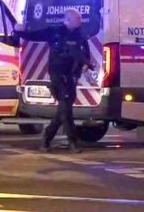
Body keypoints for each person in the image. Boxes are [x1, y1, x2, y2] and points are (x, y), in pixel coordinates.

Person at [13, 9, 93, 153]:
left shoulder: (80, 36)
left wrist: (85, 66)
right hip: (58, 76)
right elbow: (33, 35)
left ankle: (47, 139)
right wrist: (18, 31)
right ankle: (71, 142)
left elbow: (86, 55)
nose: (80, 21)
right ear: (68, 19)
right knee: (65, 107)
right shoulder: (54, 32)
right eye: (78, 18)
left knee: (64, 109)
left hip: (71, 77)